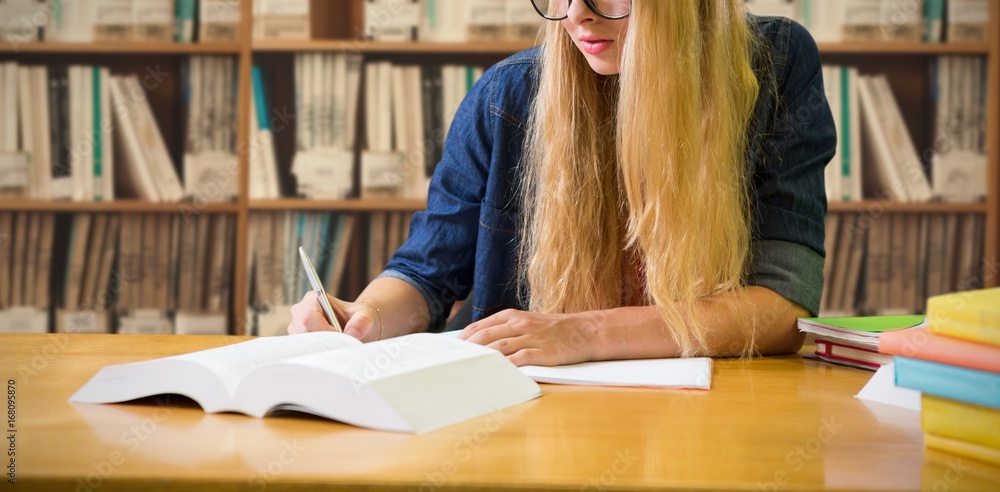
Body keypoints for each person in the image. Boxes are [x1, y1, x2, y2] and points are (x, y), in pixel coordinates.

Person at [289, 0, 836, 367]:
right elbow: (426, 275)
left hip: (709, 416)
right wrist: (366, 318)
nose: (576, 15)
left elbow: (783, 308)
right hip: (531, 412)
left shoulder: (774, 64)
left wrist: (584, 333)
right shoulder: (508, 94)